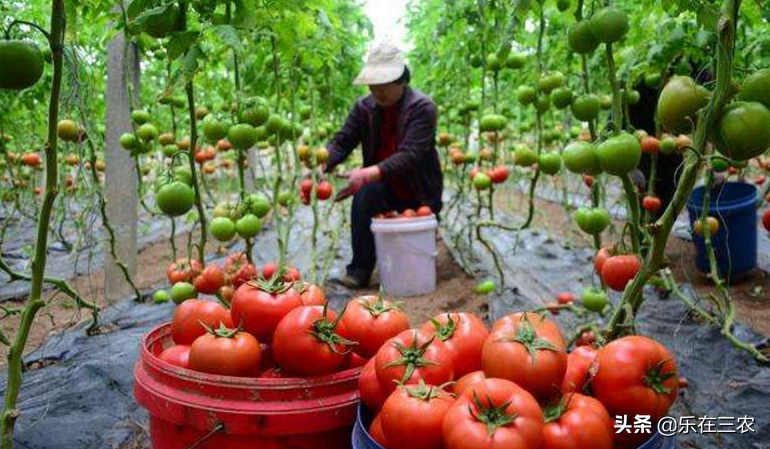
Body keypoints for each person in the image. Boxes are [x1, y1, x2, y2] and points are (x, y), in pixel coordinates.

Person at [324, 41, 443, 289]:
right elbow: (343, 141)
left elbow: (411, 154)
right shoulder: (364, 108)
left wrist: (369, 173)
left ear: (401, 80)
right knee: (365, 197)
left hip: (419, 189)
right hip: (384, 187)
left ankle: (417, 271)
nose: (378, 91)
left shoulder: (423, 107)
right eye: (373, 84)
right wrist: (321, 162)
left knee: (413, 245)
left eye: (384, 84)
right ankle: (359, 271)